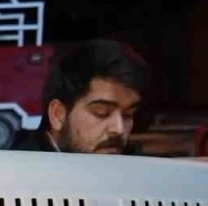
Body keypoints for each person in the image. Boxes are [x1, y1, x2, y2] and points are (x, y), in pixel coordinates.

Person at [18, 38, 150, 154]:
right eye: (102, 112)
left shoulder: (137, 170)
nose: (119, 129)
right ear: (57, 115)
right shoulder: (16, 173)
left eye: (128, 115)